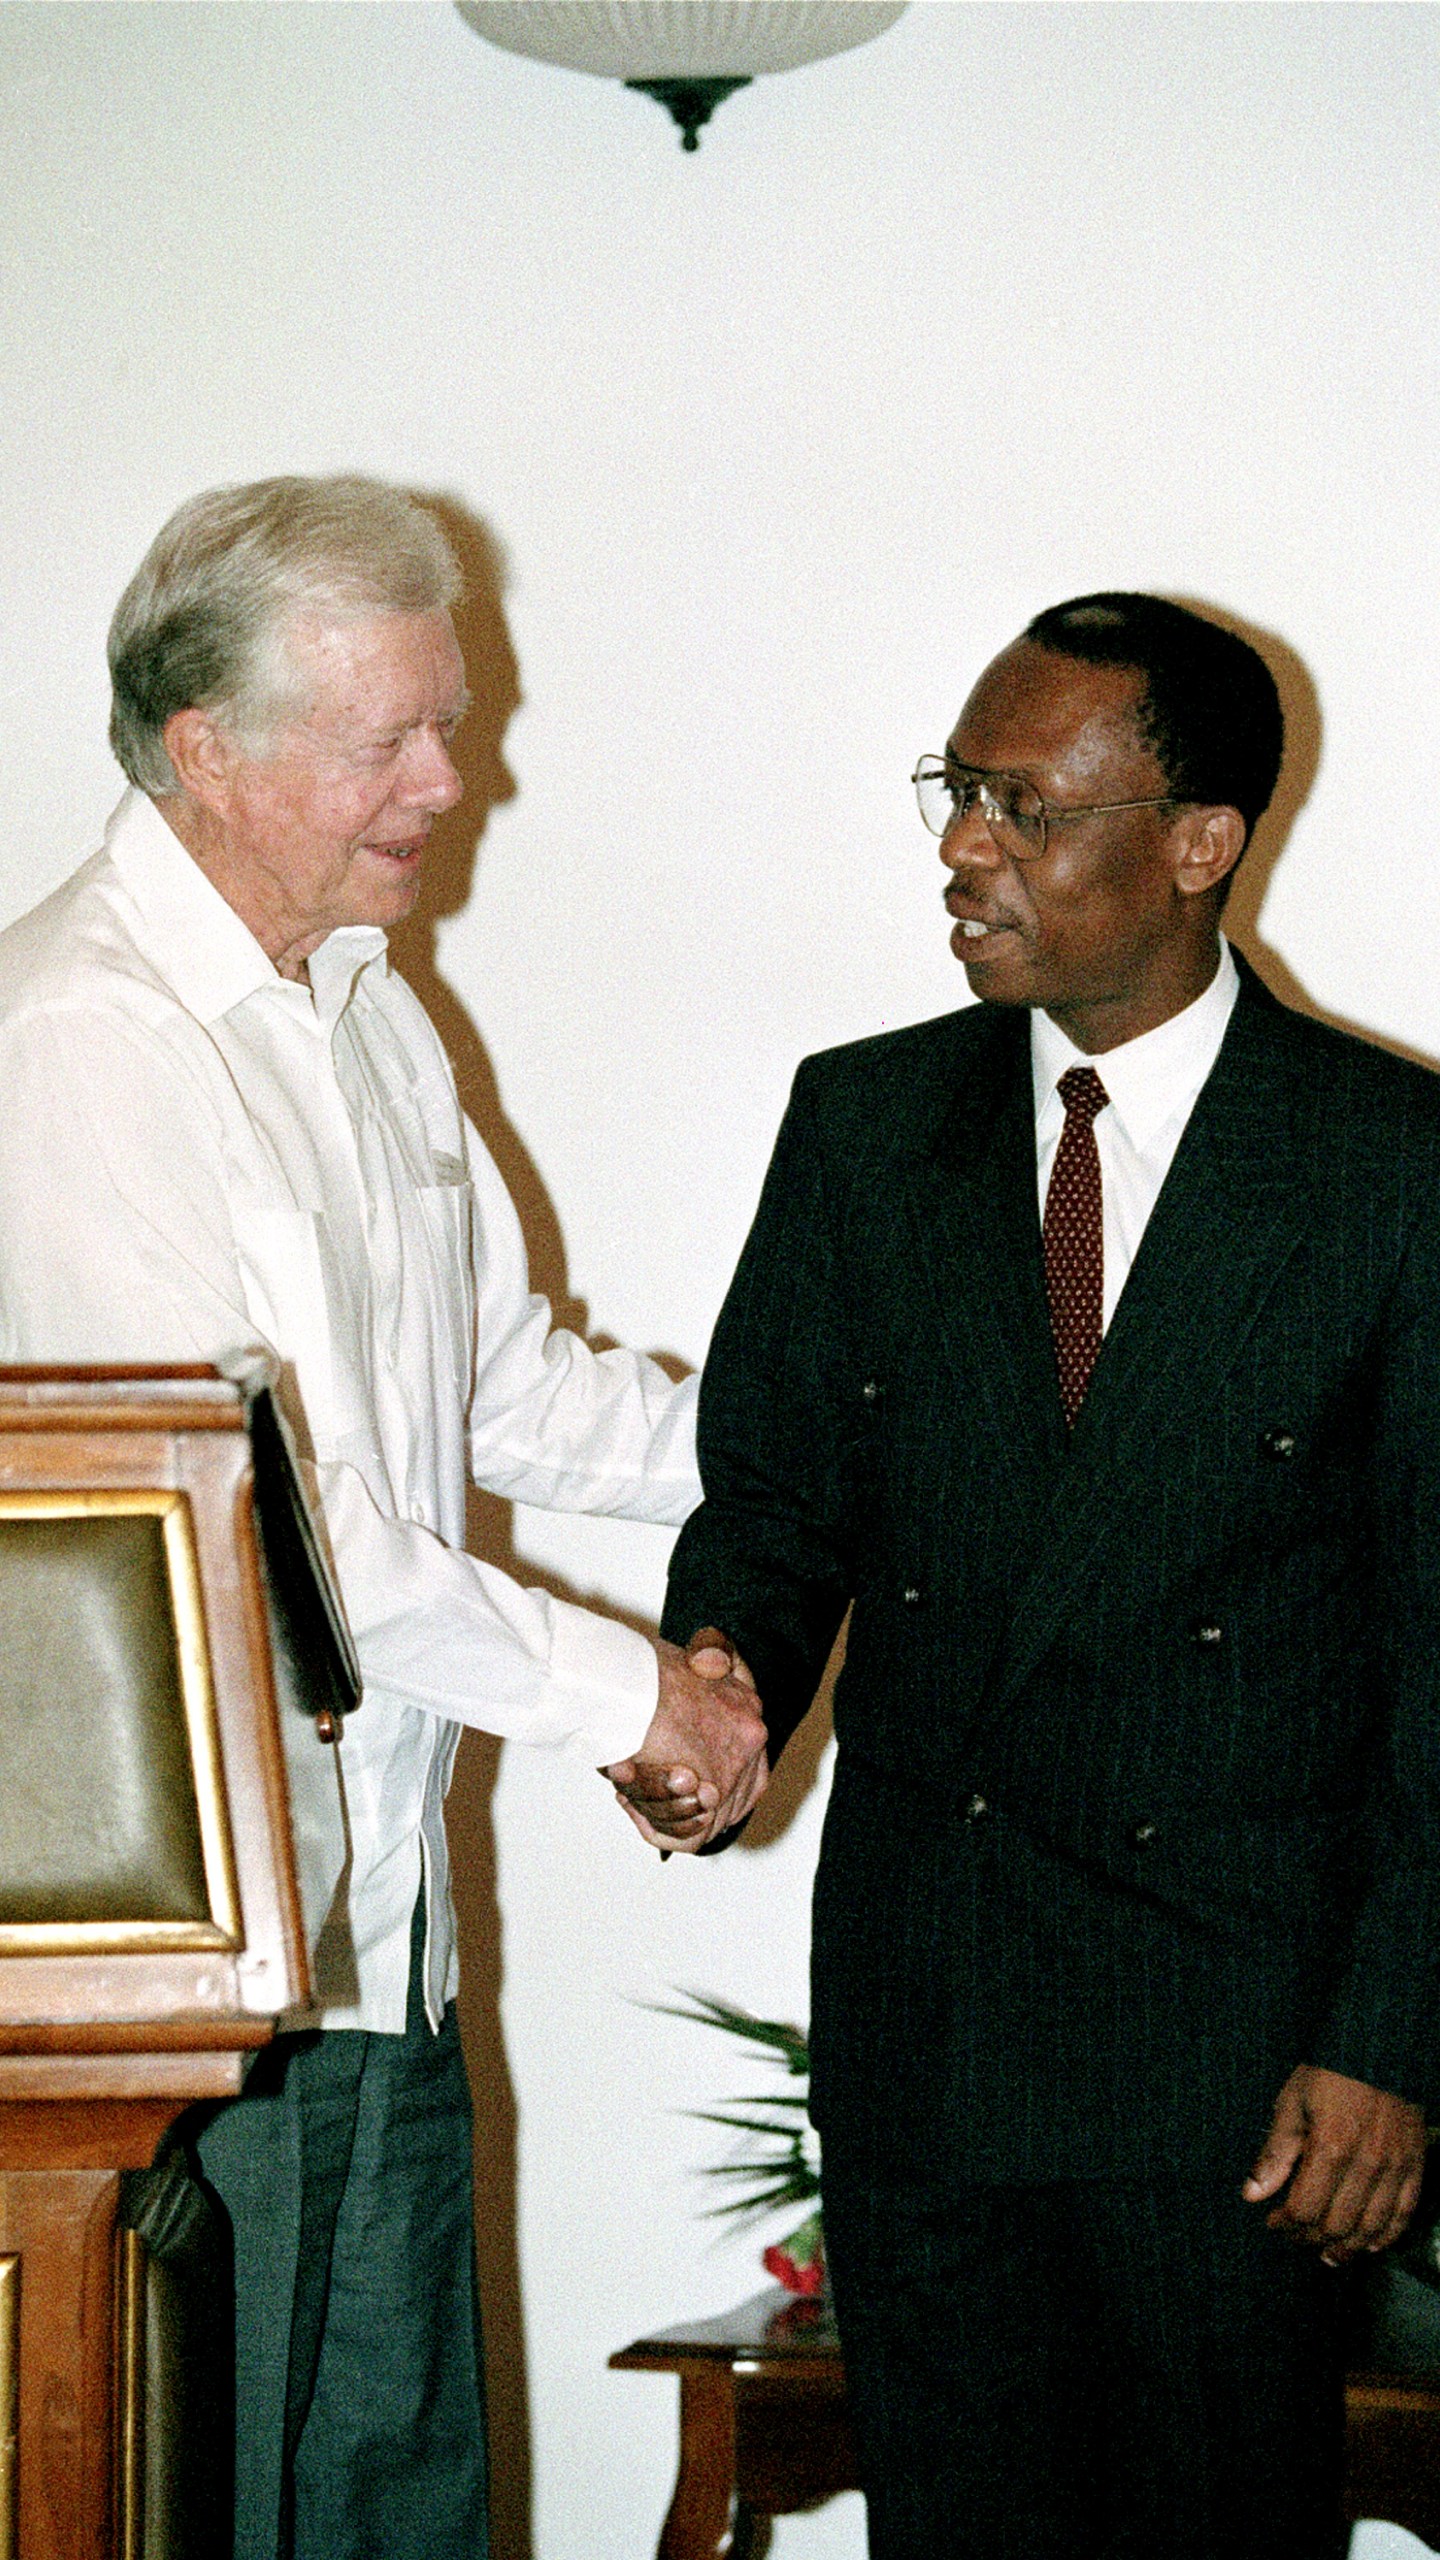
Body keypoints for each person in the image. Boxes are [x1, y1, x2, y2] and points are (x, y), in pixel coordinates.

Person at [0, 474, 765, 2560]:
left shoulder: (372, 1009)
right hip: (167, 2003)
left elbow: (508, 1389)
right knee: (202, 2513)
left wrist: (852, 1446)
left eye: (453, 720)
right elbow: (273, 1533)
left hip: (378, 1942)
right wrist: (632, 1695)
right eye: (397, 735)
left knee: (397, 2511)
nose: (455, 776)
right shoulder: (79, 1041)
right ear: (204, 750)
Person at [642, 594, 1440, 2558]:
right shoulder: (865, 1121)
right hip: (936, 2007)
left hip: (1240, 2052)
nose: (964, 847)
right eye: (956, 790)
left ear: (1197, 840)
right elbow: (777, 1501)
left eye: (1025, 805)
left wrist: (1392, 2043)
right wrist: (719, 1689)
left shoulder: (1387, 1161)